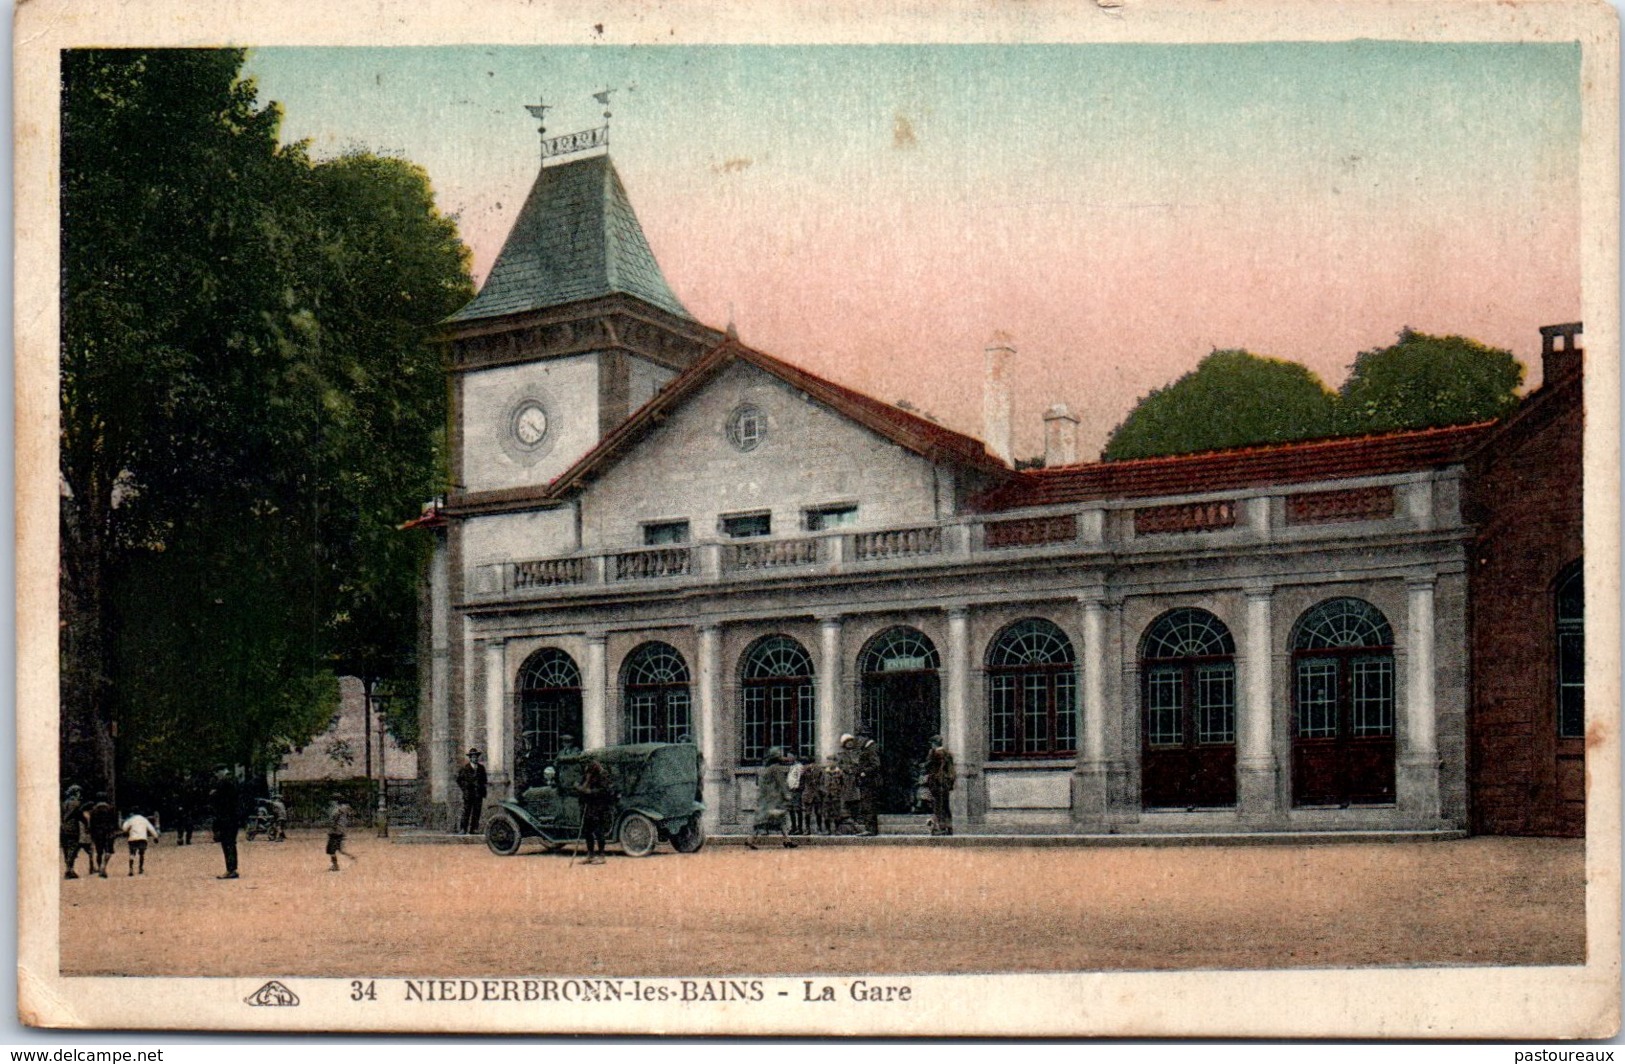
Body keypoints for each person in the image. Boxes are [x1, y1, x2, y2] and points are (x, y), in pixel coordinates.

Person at [748, 747, 798, 849]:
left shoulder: (766, 768)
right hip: (774, 800)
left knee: (771, 821)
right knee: (775, 820)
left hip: (766, 799)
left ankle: (787, 840)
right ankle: (751, 839)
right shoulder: (776, 768)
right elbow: (781, 783)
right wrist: (787, 795)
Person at [574, 758, 617, 865]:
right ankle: (590, 854)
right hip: (587, 806)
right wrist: (579, 788)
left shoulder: (603, 775)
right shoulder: (586, 775)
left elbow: (606, 790)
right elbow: (579, 785)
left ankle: (602, 855)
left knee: (599, 831)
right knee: (587, 831)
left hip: (599, 807)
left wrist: (591, 792)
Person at [208, 766, 241, 879]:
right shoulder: (234, 779)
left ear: (221, 771)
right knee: (231, 843)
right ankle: (232, 869)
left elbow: (218, 798)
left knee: (227, 843)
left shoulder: (225, 782)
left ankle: (230, 870)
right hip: (233, 816)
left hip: (226, 817)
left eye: (217, 774)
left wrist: (214, 793)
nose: (216, 776)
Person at [923, 734, 956, 837]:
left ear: (934, 744)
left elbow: (927, 766)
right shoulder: (947, 754)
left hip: (937, 783)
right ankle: (948, 827)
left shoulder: (934, 754)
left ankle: (941, 828)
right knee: (945, 806)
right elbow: (951, 771)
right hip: (945, 783)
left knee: (938, 806)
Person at [86, 792, 119, 878]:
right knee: (108, 850)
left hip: (97, 833)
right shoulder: (111, 808)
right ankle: (103, 866)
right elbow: (114, 822)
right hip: (108, 832)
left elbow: (91, 824)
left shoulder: (93, 810)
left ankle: (100, 867)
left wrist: (91, 833)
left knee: (99, 852)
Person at [855, 729, 882, 836]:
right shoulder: (867, 748)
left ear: (865, 737)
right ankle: (870, 828)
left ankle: (870, 829)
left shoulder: (871, 748)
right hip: (867, 782)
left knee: (868, 804)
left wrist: (864, 772)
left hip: (870, 782)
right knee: (867, 804)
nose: (858, 740)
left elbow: (876, 764)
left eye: (860, 737)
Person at [456, 748, 488, 835]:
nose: (475, 758)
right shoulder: (465, 768)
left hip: (478, 794)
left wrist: (482, 790)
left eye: (476, 756)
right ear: (470, 758)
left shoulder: (481, 768)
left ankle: (473, 829)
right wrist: (465, 788)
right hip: (468, 794)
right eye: (473, 757)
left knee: (476, 812)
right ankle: (463, 829)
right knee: (466, 811)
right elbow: (459, 780)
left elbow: (484, 780)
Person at [121, 810, 160, 876]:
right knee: (141, 854)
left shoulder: (131, 820)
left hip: (132, 839)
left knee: (132, 854)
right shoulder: (144, 820)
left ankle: (131, 868)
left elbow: (124, 828)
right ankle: (140, 868)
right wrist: (155, 837)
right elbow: (151, 829)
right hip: (142, 838)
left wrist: (126, 831)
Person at [60, 785, 86, 880]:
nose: (79, 794)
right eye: (78, 792)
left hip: (62, 828)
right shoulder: (76, 803)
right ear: (76, 793)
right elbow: (80, 816)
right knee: (73, 848)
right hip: (72, 828)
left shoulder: (63, 803)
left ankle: (69, 868)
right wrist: (86, 824)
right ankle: (69, 869)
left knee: (66, 849)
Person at [326, 797, 358, 871]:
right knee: (339, 850)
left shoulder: (339, 811)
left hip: (335, 832)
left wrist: (332, 828)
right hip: (340, 832)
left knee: (331, 850)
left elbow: (334, 821)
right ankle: (351, 857)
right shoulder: (346, 812)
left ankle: (335, 865)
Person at [800, 754, 825, 835]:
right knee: (807, 813)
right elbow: (801, 782)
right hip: (808, 794)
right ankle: (807, 829)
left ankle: (819, 828)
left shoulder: (819, 770)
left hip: (817, 793)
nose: (811, 765)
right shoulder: (804, 770)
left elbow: (822, 781)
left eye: (813, 763)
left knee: (818, 812)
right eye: (809, 763)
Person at [784, 749, 806, 836]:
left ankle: (799, 828)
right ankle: (793, 827)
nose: (788, 758)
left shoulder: (799, 766)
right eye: (788, 756)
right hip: (790, 790)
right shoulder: (791, 767)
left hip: (796, 791)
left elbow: (800, 779)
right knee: (791, 809)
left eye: (790, 756)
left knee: (797, 809)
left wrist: (797, 788)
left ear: (795, 757)